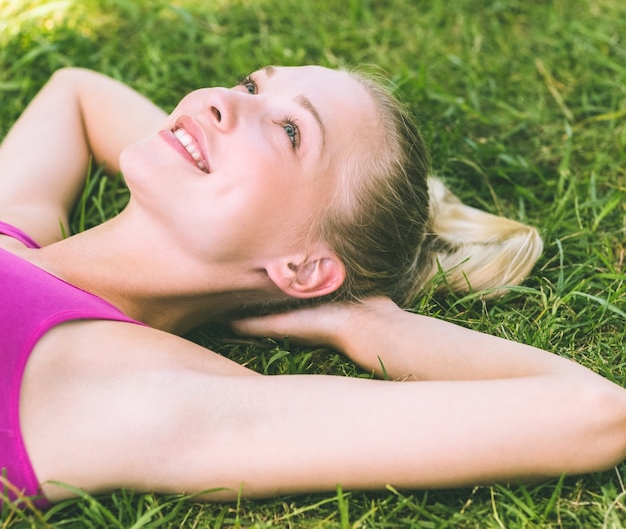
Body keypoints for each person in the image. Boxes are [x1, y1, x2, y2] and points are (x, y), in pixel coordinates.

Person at [1, 65, 625, 509]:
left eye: (291, 131)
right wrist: (205, 145)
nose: (222, 99)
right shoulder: (16, 233)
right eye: (251, 84)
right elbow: (77, 93)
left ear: (303, 269)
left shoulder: (140, 394)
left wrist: (364, 323)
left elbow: (596, 413)